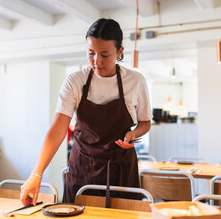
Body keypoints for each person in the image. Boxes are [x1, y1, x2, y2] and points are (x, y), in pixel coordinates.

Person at [21, 18, 152, 206]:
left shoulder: (136, 81)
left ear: (120, 51)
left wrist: (133, 134)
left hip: (121, 168)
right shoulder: (75, 81)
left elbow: (145, 123)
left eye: (104, 55)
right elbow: (58, 129)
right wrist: (37, 173)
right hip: (83, 167)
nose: (96, 62)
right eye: (91, 53)